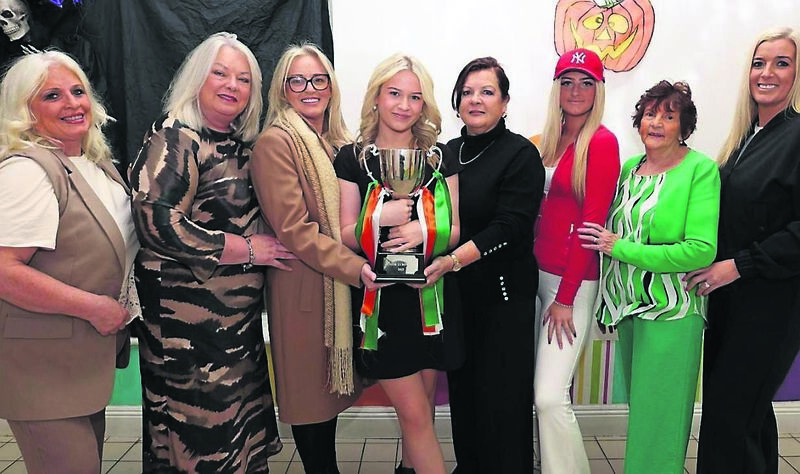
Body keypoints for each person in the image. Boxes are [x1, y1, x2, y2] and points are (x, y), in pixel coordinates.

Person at [129, 32, 288, 472]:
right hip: (188, 333)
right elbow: (156, 222)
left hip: (234, 329)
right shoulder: (174, 137)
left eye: (243, 78)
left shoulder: (239, 141)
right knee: (200, 445)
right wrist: (245, 249)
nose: (232, 85)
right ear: (197, 77)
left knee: (237, 439)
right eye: (220, 73)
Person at [0, 51, 136, 473]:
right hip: (41, 370)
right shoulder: (28, 171)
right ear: (24, 110)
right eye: (52, 96)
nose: (73, 103)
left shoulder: (94, 164)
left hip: (78, 364)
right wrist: (94, 307)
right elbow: (4, 271)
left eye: (78, 91)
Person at [250, 43, 381, 474]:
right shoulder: (275, 143)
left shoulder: (336, 144)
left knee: (327, 402)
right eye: (298, 81)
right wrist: (357, 268)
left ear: (331, 86)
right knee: (311, 405)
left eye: (318, 79)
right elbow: (295, 230)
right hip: (304, 294)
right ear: (282, 90)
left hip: (336, 287)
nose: (310, 88)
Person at [578, 80, 720, 473]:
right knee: (643, 415)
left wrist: (619, 247)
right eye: (650, 114)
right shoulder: (630, 169)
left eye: (669, 116)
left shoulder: (700, 170)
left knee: (661, 422)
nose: (656, 123)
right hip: (629, 311)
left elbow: (700, 250)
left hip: (671, 312)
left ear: (683, 126)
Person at [335, 54, 462, 474]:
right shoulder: (352, 159)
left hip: (429, 300)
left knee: (422, 410)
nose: (404, 105)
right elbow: (344, 233)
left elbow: (455, 230)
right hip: (381, 303)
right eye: (394, 93)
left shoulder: (440, 158)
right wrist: (379, 219)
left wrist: (423, 231)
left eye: (415, 97)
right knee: (416, 417)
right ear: (376, 97)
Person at [690, 27, 800, 474]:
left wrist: (739, 265)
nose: (767, 73)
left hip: (771, 303)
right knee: (746, 417)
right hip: (731, 301)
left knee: (729, 420)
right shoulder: (746, 138)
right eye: (759, 63)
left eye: (781, 63)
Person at [444, 57, 544, 474]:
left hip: (503, 298)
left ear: (504, 102)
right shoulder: (446, 153)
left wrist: (453, 259)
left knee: (502, 402)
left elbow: (511, 226)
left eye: (487, 92)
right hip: (456, 296)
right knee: (463, 398)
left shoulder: (520, 154)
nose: (476, 100)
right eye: (467, 92)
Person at [531, 48, 620, 474]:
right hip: (534, 276)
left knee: (549, 396)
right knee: (535, 392)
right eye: (567, 82)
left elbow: (591, 227)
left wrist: (565, 298)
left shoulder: (601, 142)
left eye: (586, 82)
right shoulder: (548, 139)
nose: (576, 91)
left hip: (572, 282)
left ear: (598, 89)